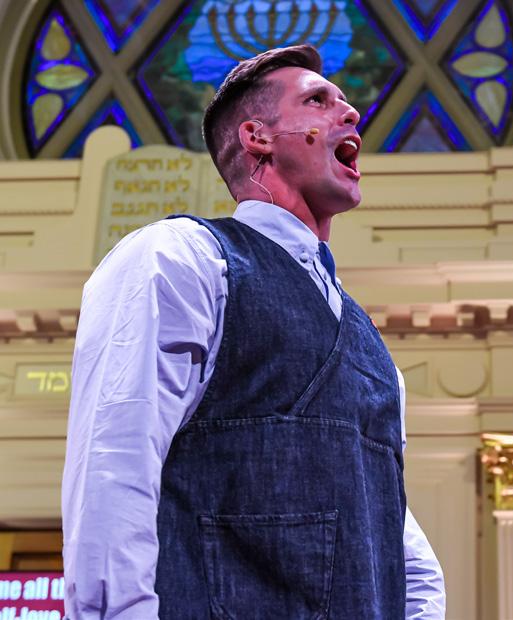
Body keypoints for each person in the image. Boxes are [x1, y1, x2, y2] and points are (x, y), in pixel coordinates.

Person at [62, 44, 445, 619]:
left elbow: (391, 526)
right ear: (257, 137)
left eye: (345, 101)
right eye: (317, 100)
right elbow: (114, 464)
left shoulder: (367, 339)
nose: (351, 113)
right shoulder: (181, 257)